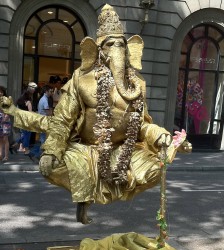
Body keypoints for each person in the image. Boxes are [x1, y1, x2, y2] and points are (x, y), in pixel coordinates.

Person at [0, 4, 191, 224]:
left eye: (121, 45)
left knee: (156, 169)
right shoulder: (81, 80)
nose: (117, 49)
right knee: (49, 165)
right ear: (99, 50)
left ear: (129, 50)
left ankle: (107, 187)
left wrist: (160, 135)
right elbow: (61, 122)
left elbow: (141, 125)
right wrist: (51, 150)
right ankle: (86, 193)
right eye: (111, 44)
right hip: (86, 152)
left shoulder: (137, 84)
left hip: (124, 153)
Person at [15, 82, 37, 155]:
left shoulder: (20, 100)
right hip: (27, 120)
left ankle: (17, 143)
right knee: (27, 134)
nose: (34, 90)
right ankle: (26, 149)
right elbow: (30, 112)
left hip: (21, 119)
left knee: (24, 134)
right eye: (33, 88)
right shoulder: (28, 101)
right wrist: (35, 114)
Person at [0, 86, 11, 161]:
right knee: (0, 139)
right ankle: (0, 155)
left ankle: (6, 156)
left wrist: (5, 118)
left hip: (5, 121)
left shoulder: (6, 101)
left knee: (5, 138)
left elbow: (9, 111)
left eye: (1, 92)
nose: (0, 93)